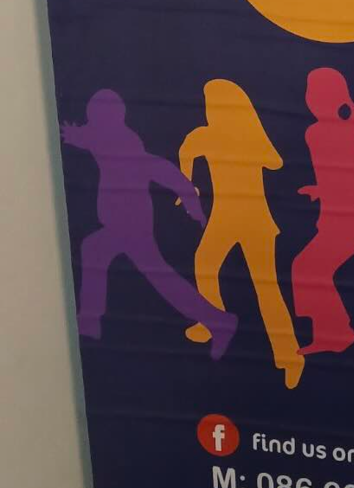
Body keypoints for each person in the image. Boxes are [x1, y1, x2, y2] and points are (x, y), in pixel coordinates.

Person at [60, 89, 235, 356]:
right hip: (121, 224)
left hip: (131, 226)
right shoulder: (109, 136)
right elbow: (90, 138)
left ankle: (220, 322)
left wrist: (192, 203)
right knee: (96, 250)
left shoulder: (121, 142)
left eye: (97, 113)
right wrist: (74, 135)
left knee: (160, 277)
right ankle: (89, 322)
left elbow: (163, 171)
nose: (91, 117)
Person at [179, 79, 305, 389]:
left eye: (211, 103)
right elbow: (186, 151)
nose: (208, 109)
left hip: (254, 221)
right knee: (206, 263)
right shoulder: (215, 136)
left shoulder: (221, 137)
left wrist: (189, 181)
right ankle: (213, 321)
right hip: (227, 218)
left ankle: (290, 356)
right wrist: (187, 184)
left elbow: (275, 162)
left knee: (265, 287)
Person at [291, 67, 354, 356]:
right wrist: (320, 189)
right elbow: (350, 177)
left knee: (308, 269)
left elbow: (353, 178)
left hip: (348, 218)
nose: (310, 99)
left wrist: (326, 189)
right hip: (347, 214)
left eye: (314, 93)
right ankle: (335, 332)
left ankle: (337, 333)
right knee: (311, 269)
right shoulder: (346, 125)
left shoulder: (319, 132)